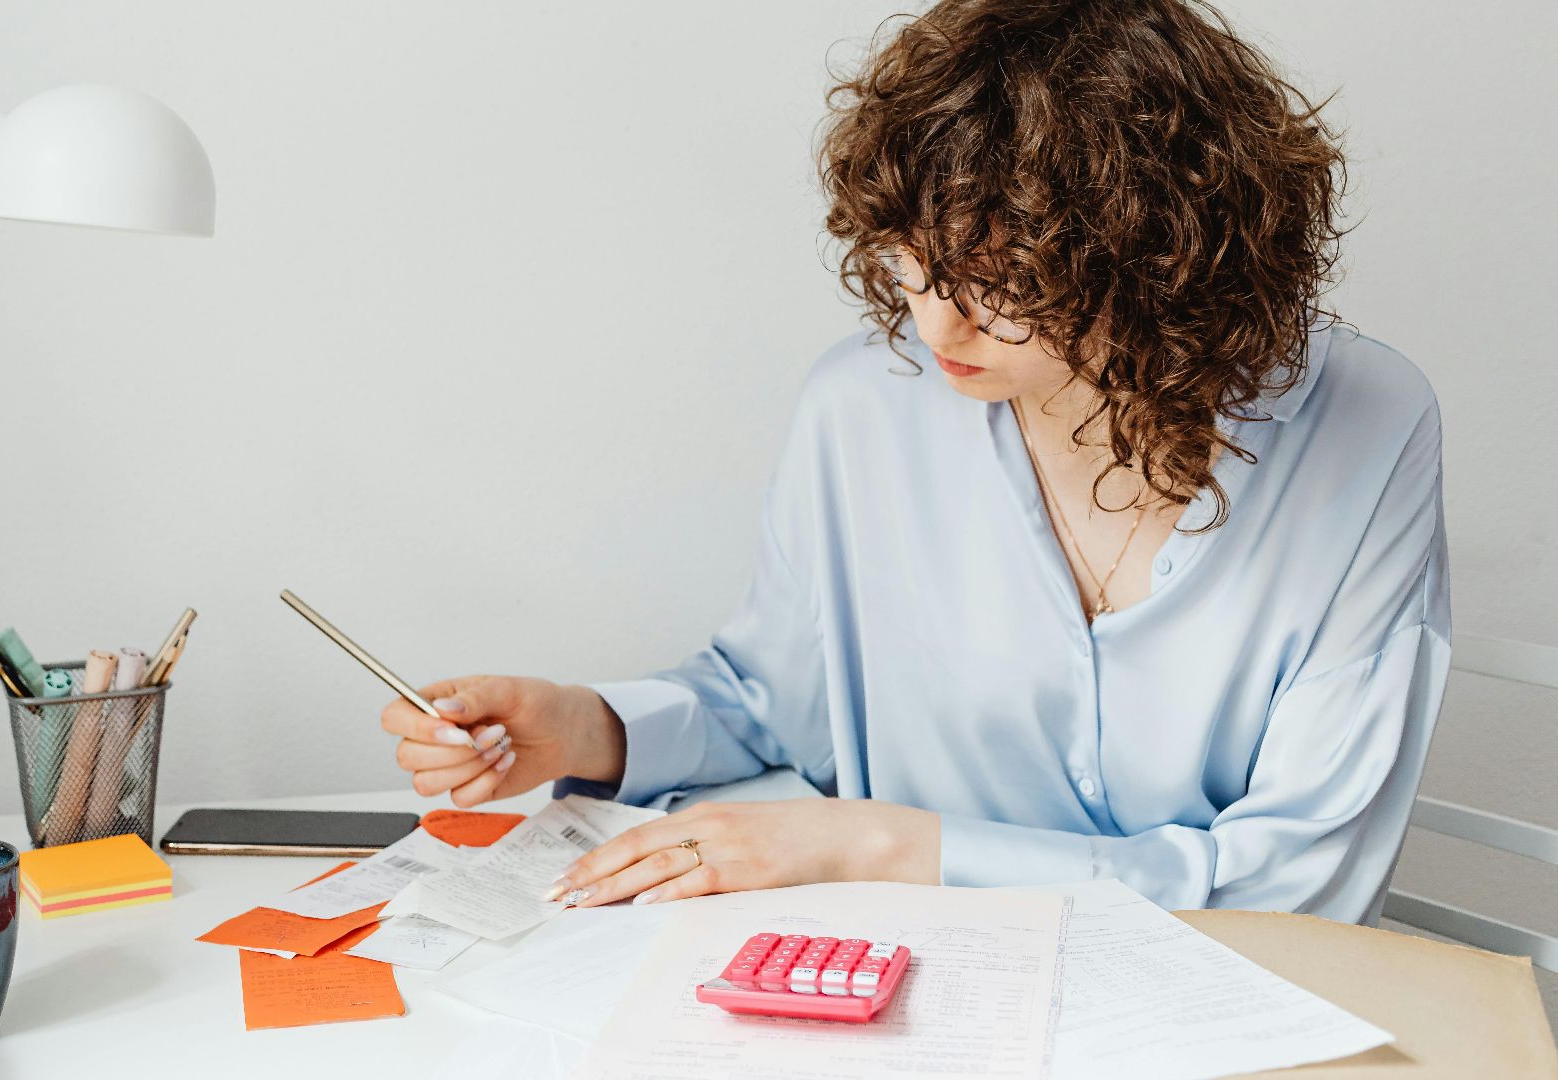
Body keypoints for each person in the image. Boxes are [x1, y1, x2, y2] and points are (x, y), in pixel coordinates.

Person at [381, 0, 1448, 926]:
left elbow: (1300, 887)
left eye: (1003, 276)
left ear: (1157, 253)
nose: (941, 321)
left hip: (1233, 1022)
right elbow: (774, 701)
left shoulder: (1366, 428)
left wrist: (887, 847)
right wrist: (585, 725)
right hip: (919, 1002)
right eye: (911, 261)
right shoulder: (863, 411)